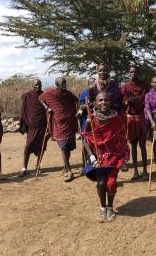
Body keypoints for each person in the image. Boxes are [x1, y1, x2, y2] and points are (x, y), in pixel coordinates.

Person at [82, 92, 129, 222]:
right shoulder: (91, 119)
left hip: (114, 156)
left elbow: (122, 137)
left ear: (110, 102)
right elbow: (85, 140)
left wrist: (122, 155)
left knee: (111, 183)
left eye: (106, 100)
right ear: (96, 103)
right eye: (100, 100)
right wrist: (92, 158)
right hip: (98, 157)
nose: (103, 102)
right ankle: (103, 207)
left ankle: (110, 207)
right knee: (101, 183)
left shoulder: (117, 118)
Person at [39, 77, 78, 182]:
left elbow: (76, 100)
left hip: (69, 123)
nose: (64, 85)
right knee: (63, 147)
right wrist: (47, 107)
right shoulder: (50, 93)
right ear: (57, 84)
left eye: (65, 83)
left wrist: (76, 111)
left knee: (68, 148)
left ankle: (66, 167)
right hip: (59, 125)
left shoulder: (68, 94)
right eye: (62, 83)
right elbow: (41, 98)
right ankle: (69, 171)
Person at [121, 66, 149, 181]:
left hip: (141, 117)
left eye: (135, 72)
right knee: (133, 145)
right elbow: (122, 101)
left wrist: (137, 101)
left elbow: (145, 100)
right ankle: (136, 171)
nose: (133, 73)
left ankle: (145, 171)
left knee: (142, 145)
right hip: (130, 118)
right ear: (129, 73)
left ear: (138, 73)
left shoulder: (143, 85)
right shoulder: (125, 86)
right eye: (131, 71)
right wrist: (127, 101)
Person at [19, 79, 49, 177]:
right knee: (28, 146)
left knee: (41, 146)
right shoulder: (27, 96)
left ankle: (38, 166)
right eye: (36, 85)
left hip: (42, 125)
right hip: (32, 126)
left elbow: (48, 109)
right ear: (32, 85)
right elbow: (24, 111)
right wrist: (25, 125)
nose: (38, 86)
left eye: (39, 85)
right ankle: (24, 167)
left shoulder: (44, 96)